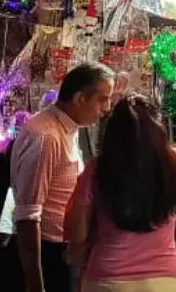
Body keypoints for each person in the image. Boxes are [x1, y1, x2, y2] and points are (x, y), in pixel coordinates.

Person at [12, 63, 116, 292]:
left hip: (60, 250)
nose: (106, 108)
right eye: (102, 99)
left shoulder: (67, 128)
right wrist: (35, 282)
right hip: (46, 253)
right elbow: (28, 214)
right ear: (79, 98)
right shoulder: (46, 136)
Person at [66, 95, 176, 291]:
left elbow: (78, 234)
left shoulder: (97, 168)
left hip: (108, 278)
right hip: (164, 279)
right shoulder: (174, 163)